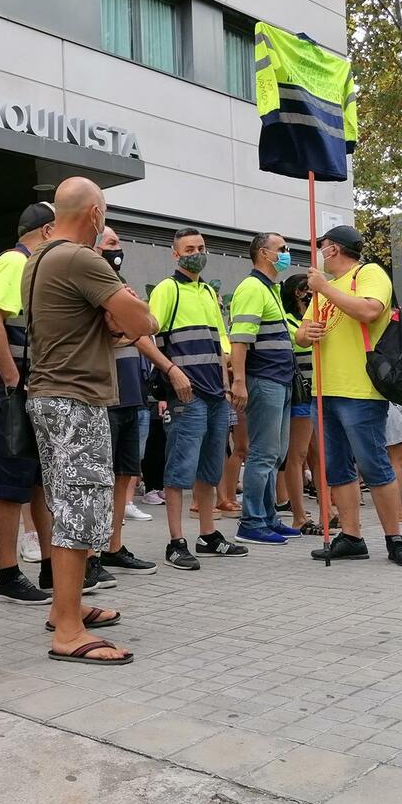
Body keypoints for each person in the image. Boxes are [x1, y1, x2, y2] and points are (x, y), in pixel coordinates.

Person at [23, 177, 156, 665]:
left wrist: (113, 317)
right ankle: (68, 631)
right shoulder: (81, 259)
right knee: (78, 509)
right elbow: (142, 323)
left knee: (68, 504)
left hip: (51, 395)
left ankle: (66, 608)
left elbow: (99, 325)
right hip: (74, 398)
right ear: (96, 213)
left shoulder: (39, 257)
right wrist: (127, 309)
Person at [294, 225, 402, 567]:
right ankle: (351, 536)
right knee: (336, 467)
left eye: (322, 246)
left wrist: (323, 288)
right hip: (324, 389)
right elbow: (302, 335)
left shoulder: (368, 273)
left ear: (333, 249)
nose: (320, 253)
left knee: (373, 463)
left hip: (360, 388)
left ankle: (395, 538)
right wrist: (306, 332)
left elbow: (369, 310)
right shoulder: (324, 287)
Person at [0, 202, 60, 605]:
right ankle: (8, 576)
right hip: (4, 392)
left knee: (38, 480)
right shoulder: (14, 262)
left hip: (24, 390)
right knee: (8, 485)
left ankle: (50, 566)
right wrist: (13, 380)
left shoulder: (32, 266)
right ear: (47, 231)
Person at [146, 228, 246, 570]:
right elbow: (146, 335)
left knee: (210, 468)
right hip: (187, 396)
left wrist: (226, 386)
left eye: (201, 247)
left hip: (216, 395)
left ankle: (208, 535)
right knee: (179, 469)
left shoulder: (207, 292)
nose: (197, 253)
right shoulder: (167, 289)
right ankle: (176, 542)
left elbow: (220, 344)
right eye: (189, 248)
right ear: (176, 254)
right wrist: (172, 372)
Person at [94, 227, 158, 576]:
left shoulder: (121, 286)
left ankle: (113, 546)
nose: (118, 249)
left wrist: (130, 323)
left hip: (131, 394)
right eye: (112, 243)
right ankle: (90, 554)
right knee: (99, 478)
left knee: (124, 474)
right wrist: (128, 324)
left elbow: (146, 326)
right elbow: (118, 331)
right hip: (104, 394)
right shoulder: (92, 284)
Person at [228, 232, 298, 546]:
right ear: (263, 253)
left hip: (279, 380)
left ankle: (267, 517)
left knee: (275, 453)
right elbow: (240, 339)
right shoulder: (252, 287)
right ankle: (252, 522)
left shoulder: (270, 288)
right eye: (281, 248)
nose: (286, 253)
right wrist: (239, 381)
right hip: (265, 379)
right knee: (263, 453)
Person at [278, 274, 320, 534]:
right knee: (298, 455)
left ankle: (328, 510)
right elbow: (299, 341)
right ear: (299, 292)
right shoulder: (288, 321)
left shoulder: (314, 318)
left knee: (318, 455)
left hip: (318, 394)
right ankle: (299, 516)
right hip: (300, 394)